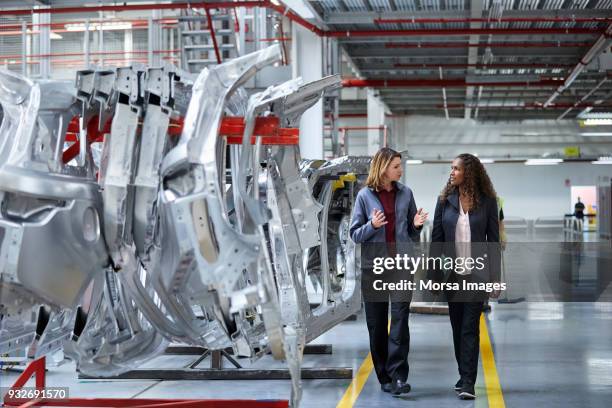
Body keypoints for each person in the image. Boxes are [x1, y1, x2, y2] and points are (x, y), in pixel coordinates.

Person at [349, 147, 428, 396]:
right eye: (396, 166)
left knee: (401, 319)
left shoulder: (406, 194)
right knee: (377, 323)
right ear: (383, 168)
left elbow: (412, 235)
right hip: (374, 268)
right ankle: (383, 375)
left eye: (400, 165)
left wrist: (416, 226)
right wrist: (372, 226)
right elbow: (354, 234)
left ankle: (399, 376)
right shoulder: (364, 196)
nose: (400, 170)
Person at [430, 153, 500, 400]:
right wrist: (434, 275)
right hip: (451, 275)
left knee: (470, 328)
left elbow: (494, 242)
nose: (452, 172)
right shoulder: (444, 201)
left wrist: (495, 278)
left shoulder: (488, 202)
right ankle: (463, 374)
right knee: (457, 327)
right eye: (451, 168)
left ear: (468, 172)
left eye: (456, 168)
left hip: (477, 275)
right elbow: (436, 241)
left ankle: (469, 382)